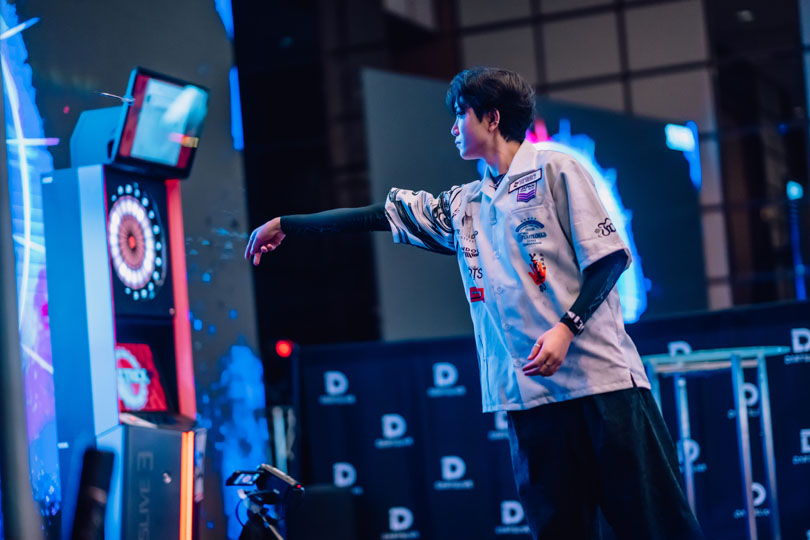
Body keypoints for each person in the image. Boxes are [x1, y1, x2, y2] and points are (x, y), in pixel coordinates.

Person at [245, 67, 703, 540]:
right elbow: (378, 216)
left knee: (656, 526)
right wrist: (287, 224)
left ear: (491, 118)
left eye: (459, 114)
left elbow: (609, 260)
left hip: (602, 386)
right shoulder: (464, 205)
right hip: (530, 399)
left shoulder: (556, 169)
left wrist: (566, 328)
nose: (451, 128)